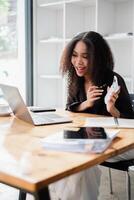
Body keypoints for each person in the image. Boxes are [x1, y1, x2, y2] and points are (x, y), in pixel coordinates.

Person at [49, 31, 134, 200]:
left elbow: (131, 122)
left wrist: (112, 109)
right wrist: (86, 103)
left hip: (122, 141)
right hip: (91, 139)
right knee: (68, 153)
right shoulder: (75, 78)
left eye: (85, 57)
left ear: (98, 57)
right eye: (74, 55)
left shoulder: (113, 79)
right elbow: (70, 108)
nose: (78, 62)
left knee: (81, 159)